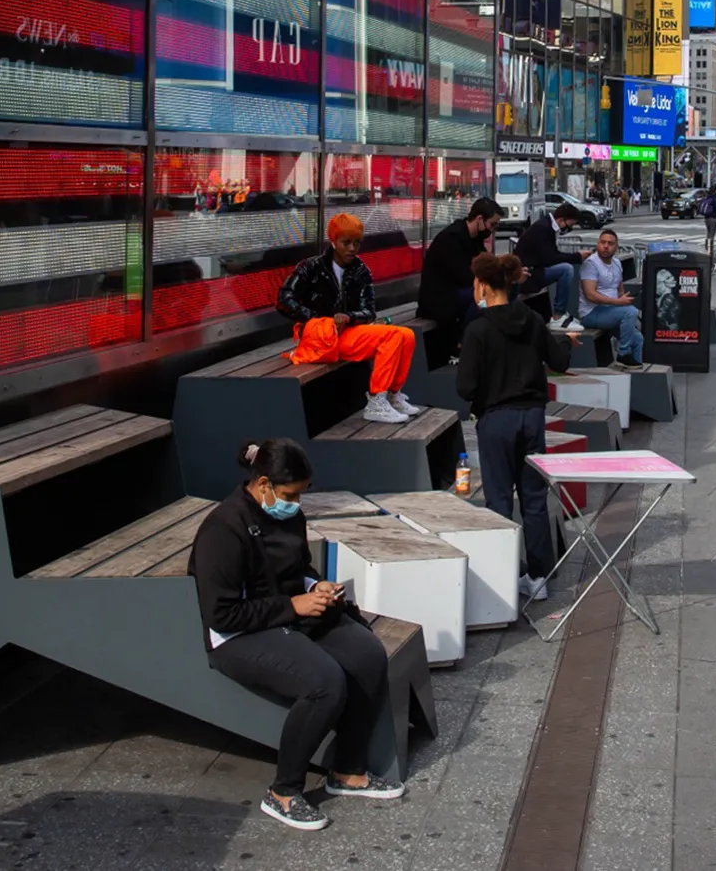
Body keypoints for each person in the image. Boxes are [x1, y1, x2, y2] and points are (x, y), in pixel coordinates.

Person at [190, 438, 404, 832]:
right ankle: (284, 791)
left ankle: (348, 771)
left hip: (288, 614)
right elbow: (222, 614)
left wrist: (315, 586)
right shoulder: (224, 528)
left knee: (368, 655)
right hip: (238, 635)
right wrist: (293, 607)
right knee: (324, 681)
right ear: (264, 484)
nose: (296, 503)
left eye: (301, 495)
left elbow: (298, 568)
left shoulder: (289, 515)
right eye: (290, 495)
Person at [458, 253, 576, 602]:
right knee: (534, 500)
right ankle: (538, 578)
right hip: (533, 417)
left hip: (495, 420)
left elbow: (464, 388)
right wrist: (567, 343)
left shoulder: (478, 329)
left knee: (497, 501)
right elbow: (558, 362)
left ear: (482, 285)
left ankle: (503, 578)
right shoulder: (534, 319)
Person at [277, 215, 423, 424]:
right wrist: (316, 318)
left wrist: (350, 317)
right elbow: (284, 299)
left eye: (356, 243)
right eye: (346, 243)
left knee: (407, 335)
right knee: (391, 336)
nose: (352, 248)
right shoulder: (310, 267)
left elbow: (369, 311)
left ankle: (392, 394)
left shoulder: (361, 270)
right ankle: (376, 400)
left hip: (345, 332)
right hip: (319, 335)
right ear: (333, 241)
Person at [418, 198, 501, 358]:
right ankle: (463, 342)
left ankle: (480, 340)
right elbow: (464, 276)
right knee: (484, 295)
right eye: (492, 224)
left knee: (499, 291)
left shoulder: (474, 238)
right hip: (440, 297)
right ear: (479, 219)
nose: (493, 229)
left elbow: (484, 267)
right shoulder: (451, 238)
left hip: (457, 292)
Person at [578, 228, 644, 371]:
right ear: (597, 244)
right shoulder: (591, 264)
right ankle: (623, 354)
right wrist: (618, 303)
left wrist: (623, 299)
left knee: (638, 339)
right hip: (592, 313)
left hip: (611, 312)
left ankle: (635, 376)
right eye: (603, 242)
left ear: (616, 247)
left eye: (610, 243)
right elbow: (591, 295)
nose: (606, 246)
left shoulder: (616, 264)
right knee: (630, 312)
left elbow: (619, 290)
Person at [514, 201, 588, 329]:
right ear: (561, 220)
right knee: (566, 270)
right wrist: (577, 257)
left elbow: (551, 255)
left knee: (565, 268)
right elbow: (550, 258)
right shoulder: (544, 228)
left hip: (532, 271)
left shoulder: (546, 225)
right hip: (528, 275)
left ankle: (561, 314)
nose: (569, 229)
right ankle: (558, 316)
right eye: (569, 225)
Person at [699, 186, 716, 253]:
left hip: (706, 218)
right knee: (711, 234)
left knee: (708, 233)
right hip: (713, 218)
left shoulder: (707, 198)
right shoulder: (714, 199)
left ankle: (707, 246)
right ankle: (710, 248)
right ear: (715, 191)